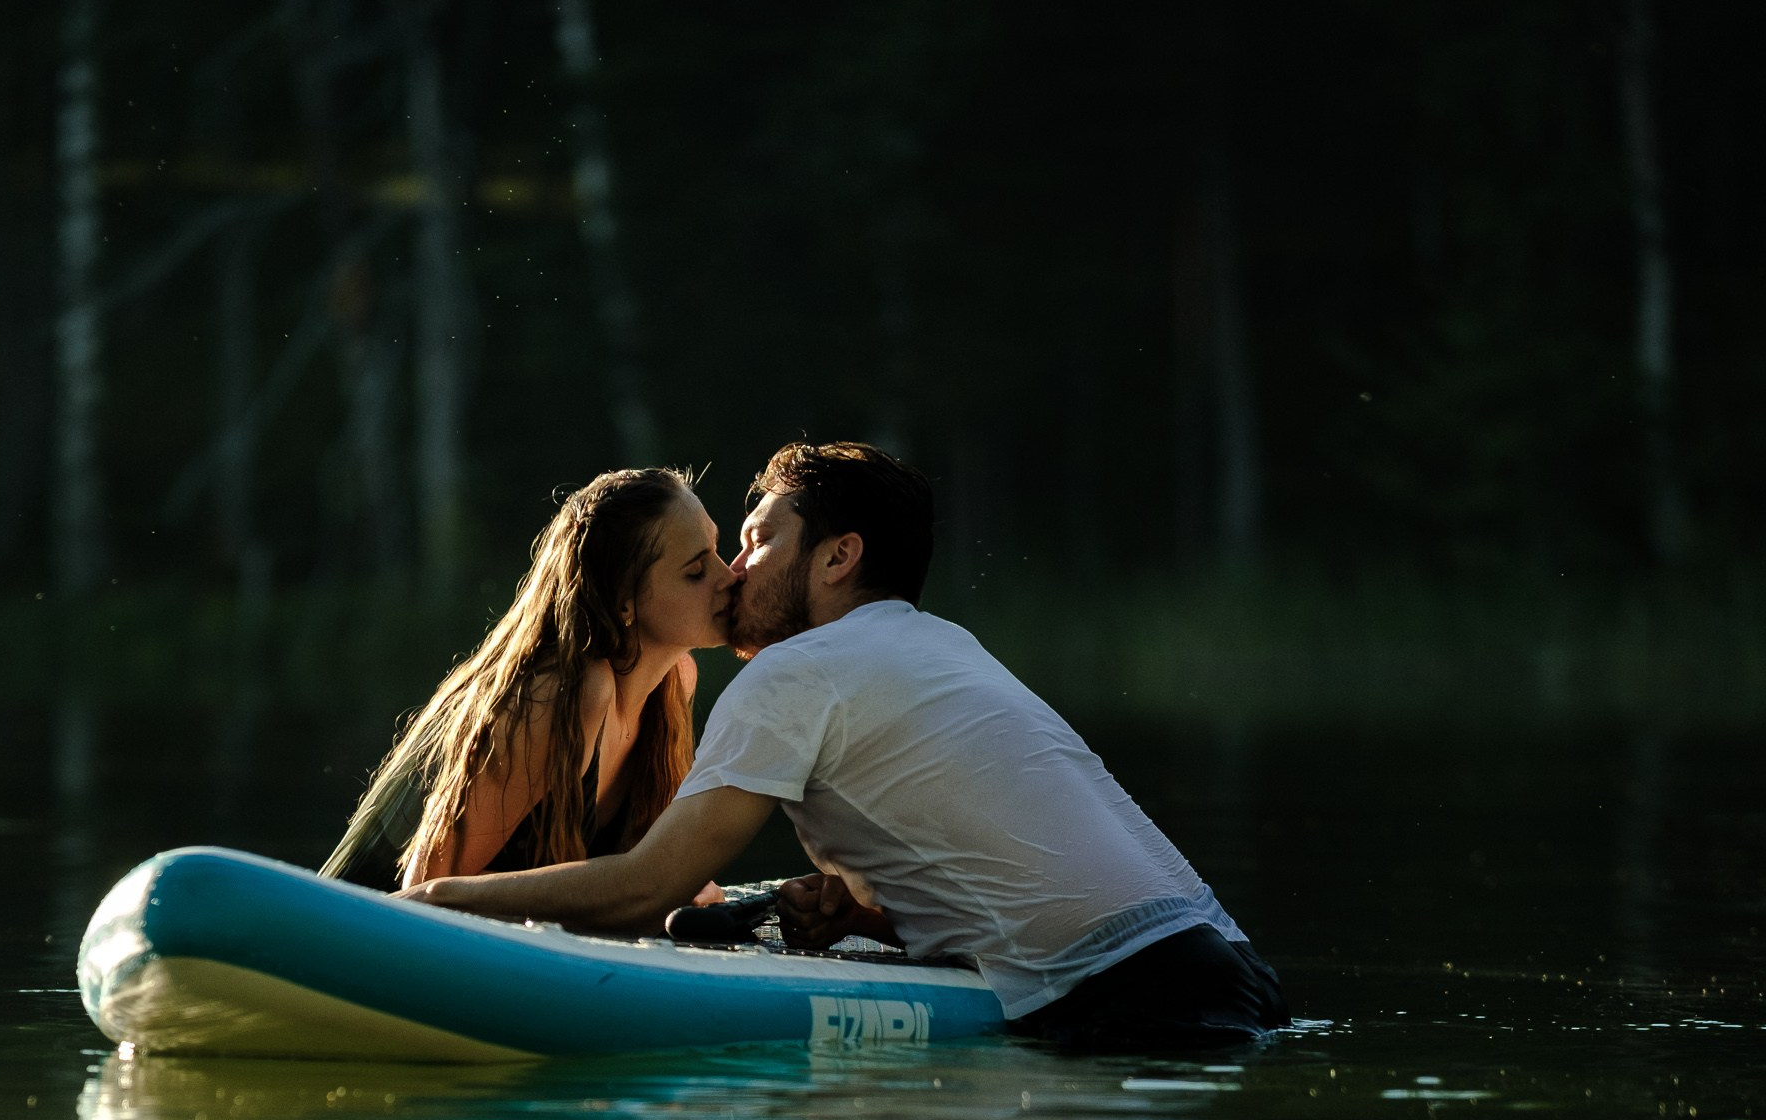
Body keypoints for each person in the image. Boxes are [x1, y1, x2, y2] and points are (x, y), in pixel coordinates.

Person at [404, 440, 1287, 1050]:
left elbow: (647, 888)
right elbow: (1013, 886)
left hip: (1140, 1005)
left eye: (757, 542)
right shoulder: (946, 646)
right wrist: (862, 919)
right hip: (1236, 974)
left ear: (837, 559)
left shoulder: (796, 673)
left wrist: (429, 905)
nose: (736, 571)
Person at [323, 465, 733, 896]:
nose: (728, 577)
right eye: (696, 571)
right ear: (623, 601)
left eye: (718, 552)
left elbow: (643, 871)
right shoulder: (562, 694)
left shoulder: (675, 681)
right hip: (348, 926)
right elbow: (424, 889)